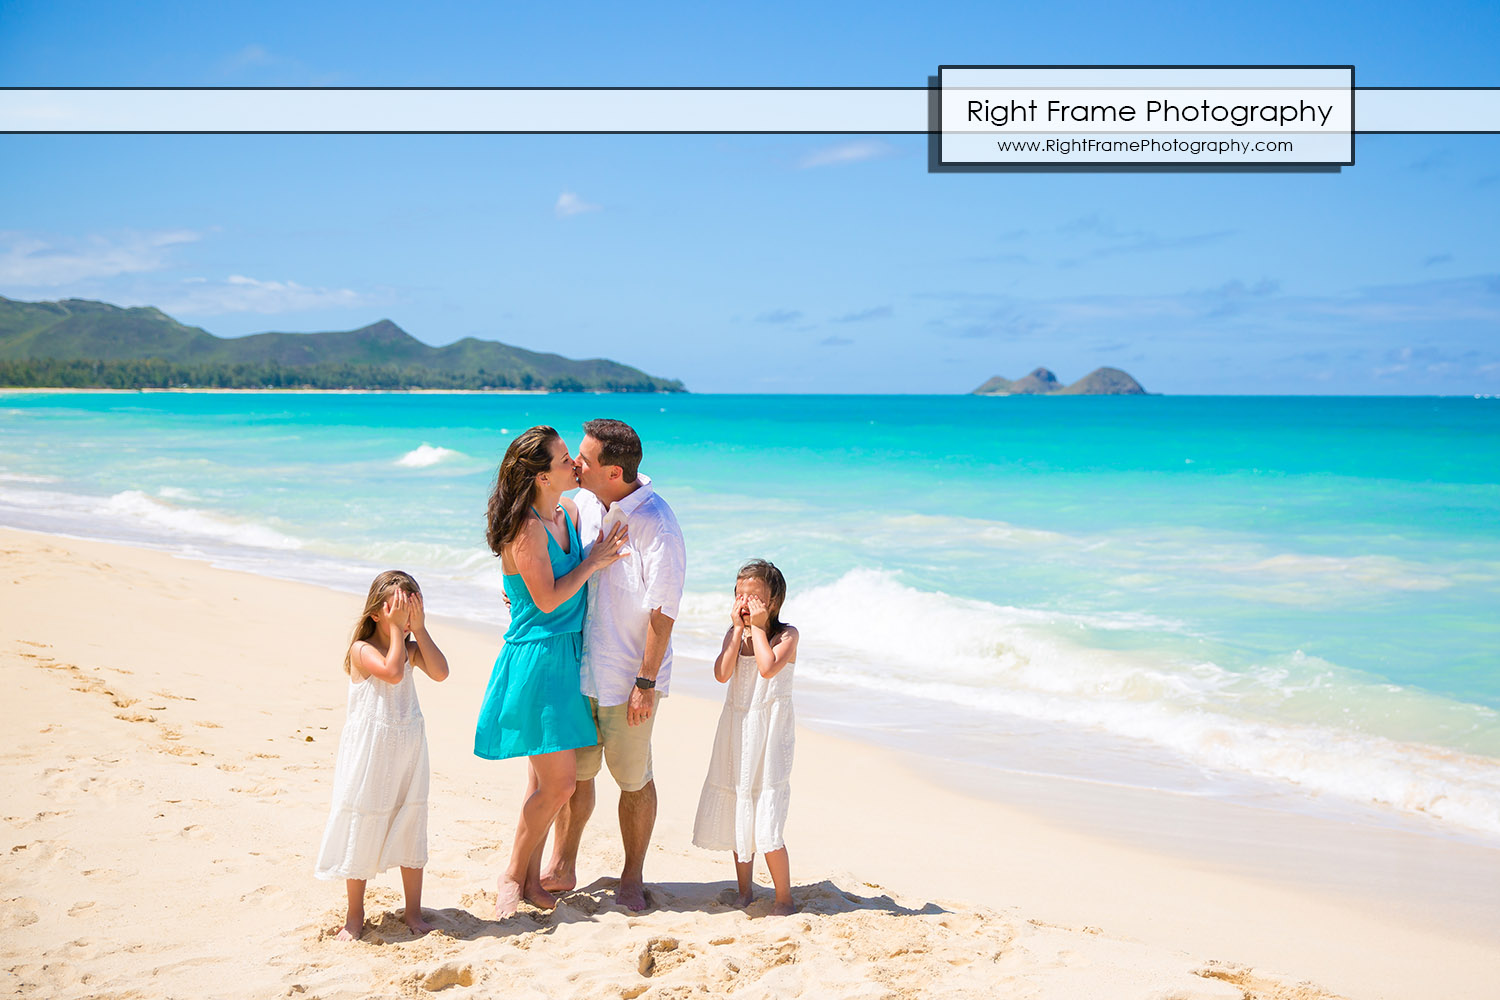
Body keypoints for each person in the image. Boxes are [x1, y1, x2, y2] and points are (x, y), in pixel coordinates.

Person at [474, 425, 628, 918]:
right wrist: (596, 562)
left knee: (541, 784)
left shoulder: (563, 512)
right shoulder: (526, 528)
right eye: (565, 460)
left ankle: (532, 884)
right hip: (540, 659)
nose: (573, 466)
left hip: (566, 655)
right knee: (560, 786)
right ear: (542, 476)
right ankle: (513, 875)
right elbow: (546, 598)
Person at [540, 418, 686, 911]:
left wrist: (645, 681)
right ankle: (563, 862)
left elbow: (663, 613)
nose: (575, 464)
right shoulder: (583, 502)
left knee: (632, 779)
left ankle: (631, 874)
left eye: (585, 458)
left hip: (630, 678)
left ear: (615, 471)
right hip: (580, 670)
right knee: (576, 777)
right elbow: (550, 551)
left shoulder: (657, 524)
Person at [315, 570, 450, 940]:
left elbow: (441, 672)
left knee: (411, 819)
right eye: (400, 609)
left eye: (413, 608)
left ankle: (413, 911)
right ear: (377, 613)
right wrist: (396, 631)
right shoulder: (362, 651)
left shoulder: (409, 647)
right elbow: (392, 674)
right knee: (364, 822)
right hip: (371, 752)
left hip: (407, 748)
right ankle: (354, 914)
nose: (407, 617)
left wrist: (418, 630)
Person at [692, 559, 800, 915]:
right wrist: (738, 631)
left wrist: (755, 628)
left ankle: (783, 897)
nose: (744, 602)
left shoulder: (787, 636)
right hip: (738, 728)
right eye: (739, 594)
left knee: (766, 810)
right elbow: (722, 674)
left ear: (773, 602)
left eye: (753, 596)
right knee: (741, 803)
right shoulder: (735, 636)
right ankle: (744, 892)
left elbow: (768, 668)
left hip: (769, 731)